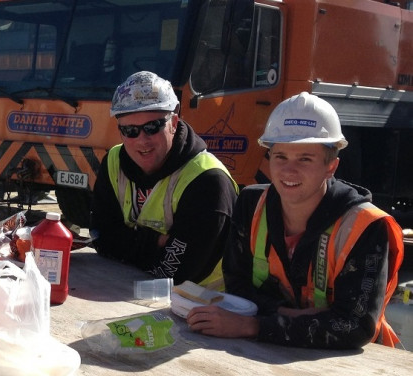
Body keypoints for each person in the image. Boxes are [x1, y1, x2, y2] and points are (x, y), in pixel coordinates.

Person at [187, 92, 403, 349]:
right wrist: (284, 313)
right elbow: (237, 284)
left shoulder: (365, 226)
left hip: (355, 371)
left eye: (305, 159)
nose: (289, 171)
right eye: (281, 157)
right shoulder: (251, 204)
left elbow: (355, 325)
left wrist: (255, 325)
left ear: (331, 166)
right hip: (267, 354)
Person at [90, 71, 238, 288]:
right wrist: (154, 242)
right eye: (130, 130)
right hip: (133, 288)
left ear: (174, 123)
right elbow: (101, 238)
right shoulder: (113, 161)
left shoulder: (208, 181)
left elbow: (177, 272)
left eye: (152, 127)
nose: (143, 140)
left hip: (205, 305)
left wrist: (128, 243)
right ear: (120, 132)